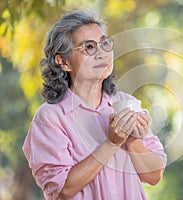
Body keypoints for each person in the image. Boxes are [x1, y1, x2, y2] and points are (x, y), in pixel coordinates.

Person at [22, 10, 167, 200]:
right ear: (63, 62)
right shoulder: (50, 118)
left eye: (105, 44)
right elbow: (61, 190)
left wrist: (132, 140)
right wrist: (112, 142)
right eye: (89, 47)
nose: (102, 54)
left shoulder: (126, 104)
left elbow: (154, 176)